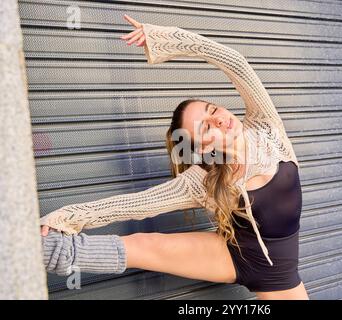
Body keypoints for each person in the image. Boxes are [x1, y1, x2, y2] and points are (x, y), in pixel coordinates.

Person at [40, 14, 309, 300]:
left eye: (212, 110)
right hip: (232, 254)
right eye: (205, 127)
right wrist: (67, 217)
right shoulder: (203, 180)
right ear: (204, 148)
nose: (218, 120)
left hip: (279, 272)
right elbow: (133, 205)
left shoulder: (267, 129)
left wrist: (164, 38)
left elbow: (235, 61)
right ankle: (35, 247)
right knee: (145, 244)